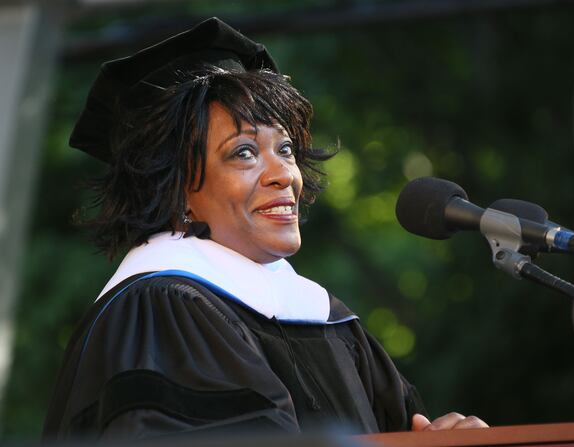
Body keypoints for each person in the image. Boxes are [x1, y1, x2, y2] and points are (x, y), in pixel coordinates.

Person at [43, 17, 487, 440]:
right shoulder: (160, 312)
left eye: (287, 148)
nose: (284, 174)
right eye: (243, 153)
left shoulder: (324, 317)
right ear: (175, 188)